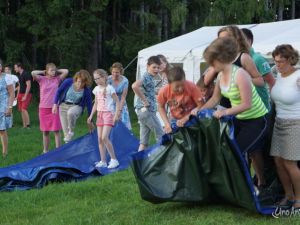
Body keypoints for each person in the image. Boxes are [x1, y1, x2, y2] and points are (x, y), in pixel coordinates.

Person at [192, 37, 268, 189]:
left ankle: (254, 186)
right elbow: (215, 98)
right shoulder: (221, 76)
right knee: (248, 151)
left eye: (212, 62)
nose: (210, 66)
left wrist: (226, 111)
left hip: (257, 120)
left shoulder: (240, 74)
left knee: (236, 151)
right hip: (240, 119)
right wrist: (200, 109)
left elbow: (247, 104)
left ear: (222, 59)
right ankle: (254, 184)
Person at [204, 25, 264, 108]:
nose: (221, 42)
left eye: (225, 39)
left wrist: (241, 81)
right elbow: (206, 81)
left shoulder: (243, 57)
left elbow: (260, 81)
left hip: (242, 106)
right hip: (224, 104)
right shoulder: (219, 60)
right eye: (219, 40)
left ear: (236, 39)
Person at [269, 44, 300, 209]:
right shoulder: (279, 76)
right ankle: (288, 195)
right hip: (279, 122)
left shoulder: (298, 76)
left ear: (290, 59)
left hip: (296, 123)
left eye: (281, 61)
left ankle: (299, 199)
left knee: (290, 163)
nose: (277, 65)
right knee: (278, 161)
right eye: (275, 61)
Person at [87, 69, 120, 169]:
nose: (96, 80)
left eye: (98, 78)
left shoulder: (110, 88)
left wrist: (116, 114)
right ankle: (103, 161)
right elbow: (96, 104)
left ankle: (114, 160)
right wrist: (91, 115)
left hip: (108, 114)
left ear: (104, 77)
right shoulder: (96, 89)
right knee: (100, 139)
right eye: (95, 79)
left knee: (104, 137)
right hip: (100, 115)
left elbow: (117, 102)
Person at [32, 63, 69, 153]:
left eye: (54, 70)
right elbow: (33, 73)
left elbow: (66, 71)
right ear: (47, 71)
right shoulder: (41, 79)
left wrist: (56, 70)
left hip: (54, 107)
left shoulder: (57, 79)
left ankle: (58, 151)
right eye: (51, 70)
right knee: (45, 131)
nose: (54, 72)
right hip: (43, 108)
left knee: (56, 130)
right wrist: (43, 71)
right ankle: (45, 151)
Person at [157, 66, 203, 134]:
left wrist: (187, 118)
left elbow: (201, 106)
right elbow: (160, 107)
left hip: (193, 119)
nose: (180, 89)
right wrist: (166, 123)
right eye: (177, 87)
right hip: (175, 119)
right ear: (169, 84)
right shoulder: (163, 91)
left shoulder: (192, 87)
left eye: (182, 85)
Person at [132, 56, 164, 151]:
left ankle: (140, 163)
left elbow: (150, 91)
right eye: (154, 67)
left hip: (144, 112)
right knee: (161, 134)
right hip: (147, 111)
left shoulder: (150, 78)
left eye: (158, 67)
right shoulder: (146, 77)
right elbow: (134, 86)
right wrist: (145, 101)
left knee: (144, 142)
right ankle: (162, 159)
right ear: (147, 66)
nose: (156, 69)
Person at [53, 70, 93, 143]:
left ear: (86, 82)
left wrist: (90, 119)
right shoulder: (68, 82)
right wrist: (55, 104)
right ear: (76, 79)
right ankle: (68, 151)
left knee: (71, 113)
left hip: (77, 107)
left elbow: (89, 105)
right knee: (66, 137)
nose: (80, 84)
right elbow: (58, 91)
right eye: (79, 81)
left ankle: (71, 131)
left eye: (83, 82)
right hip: (63, 107)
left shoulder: (87, 90)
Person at [241, 28, 276, 111]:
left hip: (261, 108)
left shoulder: (258, 59)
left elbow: (271, 82)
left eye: (240, 39)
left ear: (249, 41)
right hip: (245, 109)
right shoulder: (236, 60)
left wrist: (274, 105)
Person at [107, 62, 132, 130]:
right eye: (113, 72)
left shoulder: (125, 81)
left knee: (122, 121)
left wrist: (119, 110)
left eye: (117, 72)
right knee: (110, 123)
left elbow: (124, 96)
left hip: (121, 102)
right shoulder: (108, 79)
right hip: (110, 102)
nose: (115, 74)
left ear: (120, 72)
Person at [0, 63, 14, 158]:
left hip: (3, 105)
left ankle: (5, 153)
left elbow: (12, 93)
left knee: (2, 130)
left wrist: (9, 107)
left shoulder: (6, 77)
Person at [14, 63, 32, 128]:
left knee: (24, 109)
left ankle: (28, 125)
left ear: (20, 67)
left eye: (15, 67)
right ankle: (24, 125)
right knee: (21, 110)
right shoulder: (19, 75)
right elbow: (19, 86)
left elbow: (29, 85)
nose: (14, 69)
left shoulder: (26, 74)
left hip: (26, 94)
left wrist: (25, 96)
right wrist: (14, 91)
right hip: (20, 94)